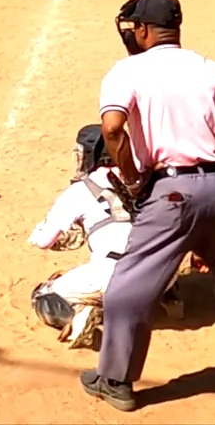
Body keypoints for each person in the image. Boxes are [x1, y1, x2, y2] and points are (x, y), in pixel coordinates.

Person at [82, 0, 215, 416]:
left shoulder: (127, 71)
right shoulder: (208, 69)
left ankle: (116, 380)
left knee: (128, 290)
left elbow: (113, 129)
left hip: (170, 193)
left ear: (142, 30)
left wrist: (132, 174)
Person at [29, 125, 139, 350]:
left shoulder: (79, 191)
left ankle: (81, 316)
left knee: (43, 294)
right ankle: (170, 297)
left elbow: (44, 241)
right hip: (160, 274)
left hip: (112, 277)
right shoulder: (142, 181)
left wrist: (38, 232)